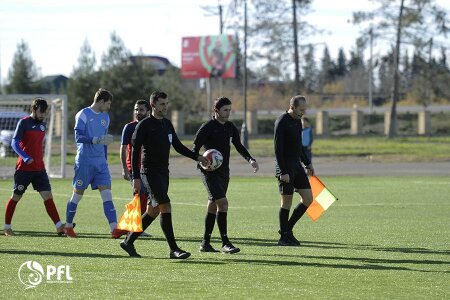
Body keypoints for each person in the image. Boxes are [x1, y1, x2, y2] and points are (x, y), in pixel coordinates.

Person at [119, 91, 209, 259]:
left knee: (153, 211)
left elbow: (178, 146)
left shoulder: (167, 124)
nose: (165, 107)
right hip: (148, 173)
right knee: (165, 205)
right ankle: (174, 249)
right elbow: (134, 152)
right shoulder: (144, 125)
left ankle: (128, 242)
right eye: (162, 104)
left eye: (166, 104)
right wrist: (136, 177)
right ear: (153, 105)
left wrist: (197, 157)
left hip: (163, 173)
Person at [193, 97, 259, 254]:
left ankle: (205, 243)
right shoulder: (208, 127)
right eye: (225, 110)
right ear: (216, 110)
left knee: (213, 204)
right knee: (223, 204)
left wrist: (250, 159)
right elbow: (195, 146)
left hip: (224, 172)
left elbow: (238, 145)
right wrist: (201, 159)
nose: (228, 113)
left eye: (230, 110)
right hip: (209, 172)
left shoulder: (230, 127)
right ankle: (225, 242)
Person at [64, 88, 124, 238]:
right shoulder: (83, 114)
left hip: (100, 164)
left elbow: (103, 141)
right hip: (84, 162)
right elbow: (78, 137)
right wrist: (94, 139)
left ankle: (114, 229)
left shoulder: (106, 116)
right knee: (77, 195)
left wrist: (104, 158)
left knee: (107, 194)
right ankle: (68, 226)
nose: (109, 107)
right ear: (101, 101)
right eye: (108, 104)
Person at [3, 98, 65, 236]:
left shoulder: (42, 125)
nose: (43, 114)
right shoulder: (24, 122)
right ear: (34, 109)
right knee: (16, 196)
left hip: (39, 169)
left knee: (48, 195)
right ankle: (7, 227)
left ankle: (59, 226)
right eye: (41, 111)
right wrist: (25, 156)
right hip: (24, 169)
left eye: (45, 112)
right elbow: (14, 142)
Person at [274, 95, 315, 246]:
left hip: (297, 166)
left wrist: (307, 163)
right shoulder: (281, 122)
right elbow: (278, 149)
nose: (304, 112)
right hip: (285, 167)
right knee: (287, 201)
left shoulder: (298, 121)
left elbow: (299, 147)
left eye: (305, 109)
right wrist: (283, 171)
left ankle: (287, 230)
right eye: (301, 109)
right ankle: (283, 237)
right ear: (293, 107)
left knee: (308, 199)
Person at [120, 99, 155, 237]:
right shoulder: (129, 127)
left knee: (147, 198)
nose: (137, 112)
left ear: (147, 111)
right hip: (135, 169)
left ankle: (134, 227)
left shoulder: (151, 126)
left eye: (140, 110)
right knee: (139, 197)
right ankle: (132, 229)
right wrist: (124, 168)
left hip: (149, 168)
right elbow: (123, 149)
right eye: (136, 109)